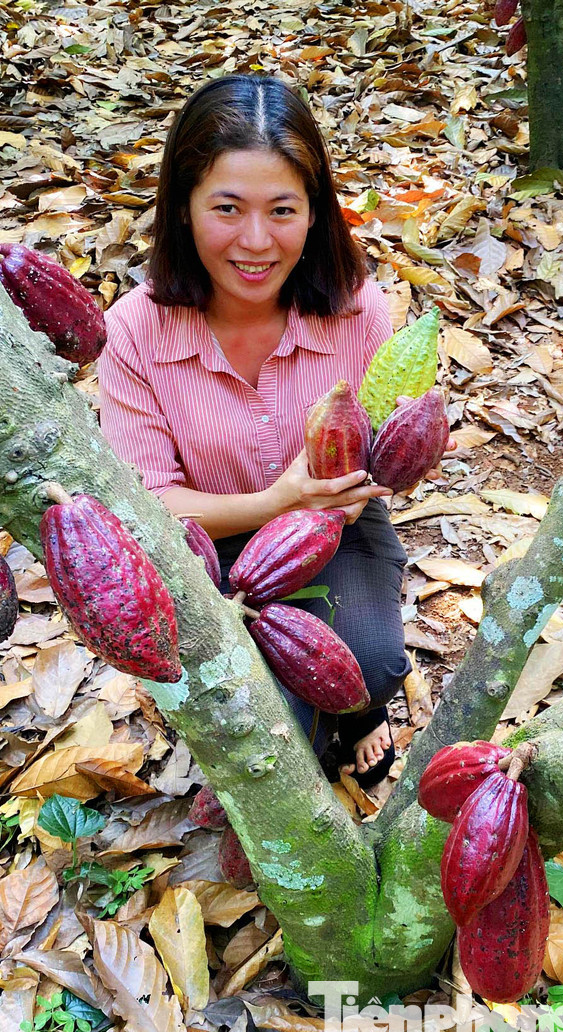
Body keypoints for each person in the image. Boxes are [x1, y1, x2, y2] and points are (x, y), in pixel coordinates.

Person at [97, 74, 413, 787]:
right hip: (205, 530)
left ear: (315, 212)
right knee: (252, 716)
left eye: (282, 210)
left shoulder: (358, 312)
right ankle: (313, 723)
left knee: (370, 656)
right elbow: (145, 502)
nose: (255, 240)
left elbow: (386, 445)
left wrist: (355, 484)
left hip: (337, 520)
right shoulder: (134, 332)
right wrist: (275, 501)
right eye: (227, 208)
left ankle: (358, 709)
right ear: (182, 208)